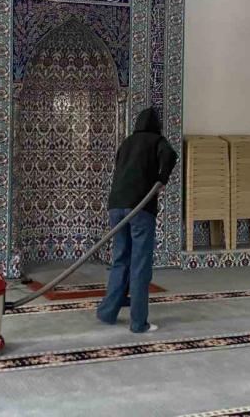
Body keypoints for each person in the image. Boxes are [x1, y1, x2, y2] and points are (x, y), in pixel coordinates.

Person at [97, 107, 177, 333]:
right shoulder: (157, 141)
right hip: (140, 208)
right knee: (140, 264)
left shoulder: (126, 143)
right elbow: (171, 155)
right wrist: (162, 180)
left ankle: (107, 312)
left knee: (120, 260)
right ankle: (139, 322)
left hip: (116, 207)